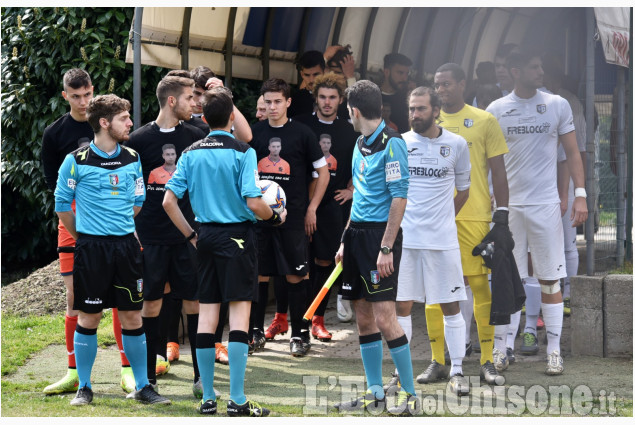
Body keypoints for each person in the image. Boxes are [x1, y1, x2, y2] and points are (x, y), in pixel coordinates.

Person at [163, 87, 281, 416]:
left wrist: (190, 235)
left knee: (207, 317)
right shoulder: (243, 152)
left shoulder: (189, 153)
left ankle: (207, 398)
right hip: (238, 237)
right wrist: (275, 216)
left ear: (203, 117)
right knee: (239, 316)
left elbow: (168, 202)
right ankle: (238, 400)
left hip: (206, 236)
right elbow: (253, 201)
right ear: (232, 117)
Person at [54, 94, 170, 406]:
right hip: (91, 249)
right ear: (105, 123)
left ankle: (144, 386)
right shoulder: (75, 161)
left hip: (127, 248)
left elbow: (138, 200)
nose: (131, 123)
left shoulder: (133, 157)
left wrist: (117, 226)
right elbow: (62, 206)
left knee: (132, 316)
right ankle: (85, 387)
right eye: (124, 118)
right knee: (89, 317)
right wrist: (86, 235)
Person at [486, 48, 588, 375]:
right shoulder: (496, 110)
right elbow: (490, 162)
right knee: (508, 281)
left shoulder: (557, 105)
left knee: (549, 280)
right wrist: (490, 198)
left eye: (541, 65)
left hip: (545, 207)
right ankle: (503, 349)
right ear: (515, 71)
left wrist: (579, 195)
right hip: (509, 209)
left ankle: (554, 352)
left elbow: (572, 153)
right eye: (534, 65)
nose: (541, 71)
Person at [410, 63, 509, 387]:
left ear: (463, 85)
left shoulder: (484, 120)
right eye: (437, 84)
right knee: (435, 294)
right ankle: (439, 361)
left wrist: (502, 215)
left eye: (448, 84)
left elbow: (498, 171)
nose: (442, 89)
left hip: (474, 217)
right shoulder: (425, 125)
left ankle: (487, 361)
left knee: (480, 289)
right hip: (434, 224)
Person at [41, 68, 135, 395]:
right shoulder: (54, 135)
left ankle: (128, 371)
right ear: (65, 95)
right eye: (75, 96)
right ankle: (75, 375)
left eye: (87, 95)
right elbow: (57, 191)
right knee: (75, 300)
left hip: (116, 231)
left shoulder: (117, 129)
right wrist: (82, 232)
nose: (83, 102)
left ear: (93, 91)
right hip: (75, 229)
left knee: (123, 302)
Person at [333, 80, 418, 415]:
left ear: (354, 110)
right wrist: (344, 239)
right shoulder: (359, 143)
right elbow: (361, 198)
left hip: (379, 240)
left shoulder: (392, 143)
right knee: (363, 316)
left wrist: (386, 248)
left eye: (346, 110)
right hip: (356, 237)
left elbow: (399, 197)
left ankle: (409, 396)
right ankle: (374, 392)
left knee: (385, 317)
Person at [125, 76, 210, 398]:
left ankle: (201, 377)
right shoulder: (138, 140)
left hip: (188, 237)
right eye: (190, 97)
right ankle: (146, 379)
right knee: (150, 305)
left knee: (195, 302)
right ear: (172, 101)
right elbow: (130, 189)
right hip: (150, 238)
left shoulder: (197, 135)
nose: (195, 103)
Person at [397, 87, 472, 395]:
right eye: (412, 109)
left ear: (436, 109)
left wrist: (442, 217)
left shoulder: (456, 144)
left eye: (421, 109)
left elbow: (464, 190)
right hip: (406, 240)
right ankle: (402, 373)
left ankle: (456, 371)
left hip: (442, 241)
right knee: (401, 306)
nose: (415, 114)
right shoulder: (400, 143)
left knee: (450, 306)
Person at [250, 78, 330, 357]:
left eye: (277, 102)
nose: (272, 107)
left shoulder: (303, 133)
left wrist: (311, 208)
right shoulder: (255, 133)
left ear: (288, 103)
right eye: (268, 102)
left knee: (296, 275)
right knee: (259, 275)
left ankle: (299, 333)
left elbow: (324, 173)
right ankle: (255, 332)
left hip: (293, 219)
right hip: (260, 219)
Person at [294, 72, 358, 342]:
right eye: (322, 97)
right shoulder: (300, 125)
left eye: (333, 97)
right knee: (297, 265)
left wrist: (351, 189)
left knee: (325, 262)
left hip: (333, 206)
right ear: (315, 98)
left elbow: (361, 165)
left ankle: (317, 319)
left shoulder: (349, 131)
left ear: (341, 100)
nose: (327, 102)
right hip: (301, 204)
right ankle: (289, 320)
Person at [380, 53, 413, 133]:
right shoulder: (371, 96)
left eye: (407, 74)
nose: (405, 78)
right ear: (387, 72)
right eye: (400, 73)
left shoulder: (407, 99)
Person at [287, 50, 325, 118]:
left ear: (324, 72)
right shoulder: (294, 100)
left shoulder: (336, 98)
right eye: (307, 75)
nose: (311, 80)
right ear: (302, 74)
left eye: (316, 74)